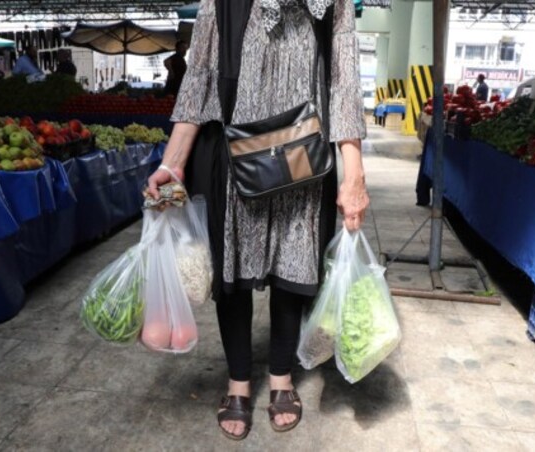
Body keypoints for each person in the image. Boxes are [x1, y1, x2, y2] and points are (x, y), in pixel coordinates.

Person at [146, 0, 367, 441]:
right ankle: (239, 381)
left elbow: (344, 81)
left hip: (306, 153)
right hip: (234, 152)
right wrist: (173, 163)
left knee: (294, 268)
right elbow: (201, 74)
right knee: (233, 270)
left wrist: (355, 172)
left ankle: (282, 376)